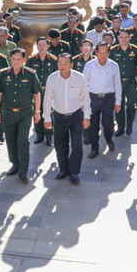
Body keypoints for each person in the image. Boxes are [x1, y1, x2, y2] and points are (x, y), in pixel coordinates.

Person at [0, 48, 42, 183]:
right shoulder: (3, 74)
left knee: (22, 140)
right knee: (10, 139)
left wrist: (37, 112)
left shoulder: (31, 74)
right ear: (10, 59)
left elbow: (37, 94)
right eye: (14, 59)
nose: (16, 62)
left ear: (24, 60)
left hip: (25, 112)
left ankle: (23, 170)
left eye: (19, 59)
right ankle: (14, 164)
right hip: (8, 112)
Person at [42, 54, 91, 184]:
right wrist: (47, 118)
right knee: (60, 145)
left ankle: (74, 171)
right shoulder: (52, 79)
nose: (62, 66)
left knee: (77, 146)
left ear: (71, 64)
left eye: (65, 63)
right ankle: (63, 169)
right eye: (60, 63)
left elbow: (85, 98)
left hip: (76, 116)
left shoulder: (80, 78)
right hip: (58, 117)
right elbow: (47, 100)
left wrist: (87, 116)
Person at [82, 43, 122, 158]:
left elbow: (117, 84)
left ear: (109, 53)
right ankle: (94, 148)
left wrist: (118, 102)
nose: (102, 56)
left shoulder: (114, 66)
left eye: (105, 53)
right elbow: (84, 84)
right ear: (96, 53)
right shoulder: (89, 65)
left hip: (108, 98)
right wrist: (84, 102)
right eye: (100, 53)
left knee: (108, 124)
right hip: (93, 98)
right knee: (93, 125)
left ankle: (109, 139)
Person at [109, 29, 137, 136]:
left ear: (130, 38)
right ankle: (120, 127)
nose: (124, 39)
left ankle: (129, 125)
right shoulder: (113, 50)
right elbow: (109, 66)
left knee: (131, 105)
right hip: (117, 82)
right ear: (118, 38)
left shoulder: (135, 50)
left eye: (126, 37)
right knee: (118, 104)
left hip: (131, 81)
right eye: (121, 37)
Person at [28, 37, 58, 145]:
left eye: (43, 45)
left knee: (48, 113)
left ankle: (48, 136)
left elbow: (56, 76)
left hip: (49, 91)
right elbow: (28, 75)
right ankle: (39, 134)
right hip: (36, 92)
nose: (41, 47)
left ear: (47, 46)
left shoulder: (53, 60)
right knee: (37, 112)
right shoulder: (31, 60)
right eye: (39, 45)